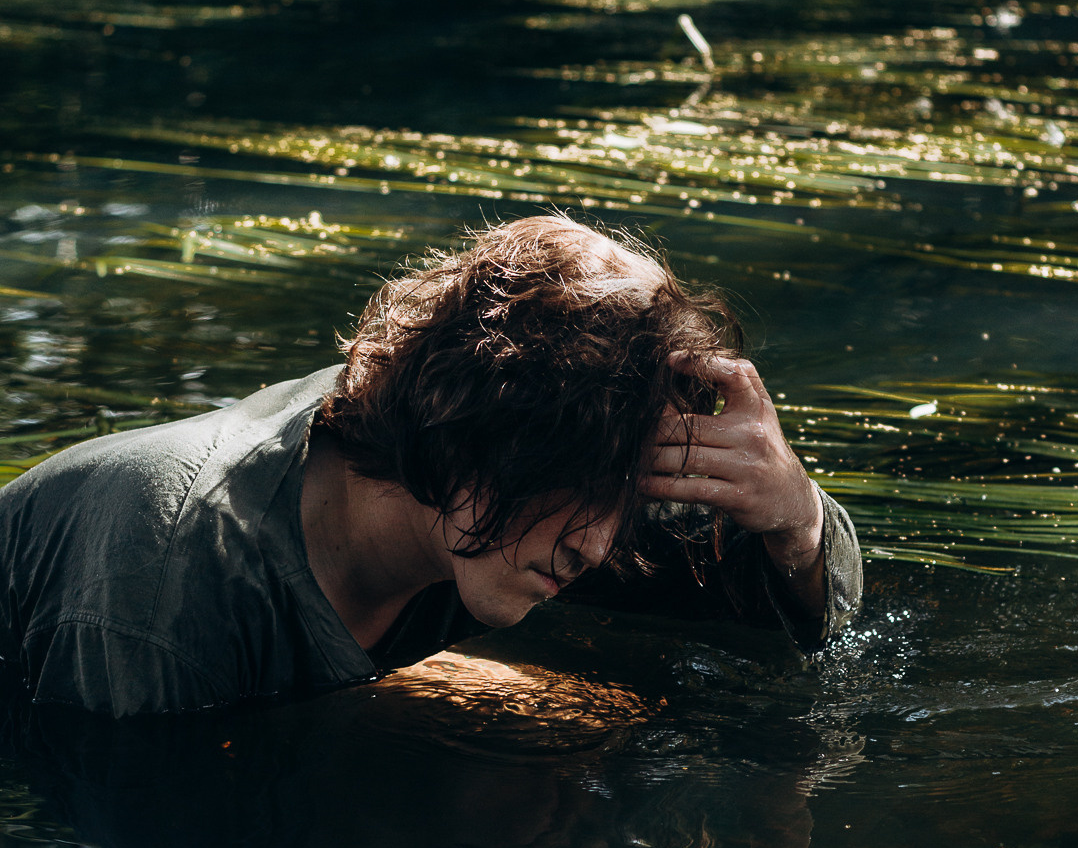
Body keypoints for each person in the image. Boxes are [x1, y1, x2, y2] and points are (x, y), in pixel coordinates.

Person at [0, 215, 862, 717]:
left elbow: (813, 641)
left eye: (626, 498)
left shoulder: (521, 502)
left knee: (580, 726)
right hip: (95, 726)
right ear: (479, 441)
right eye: (592, 493)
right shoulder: (169, 584)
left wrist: (794, 517)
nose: (602, 547)